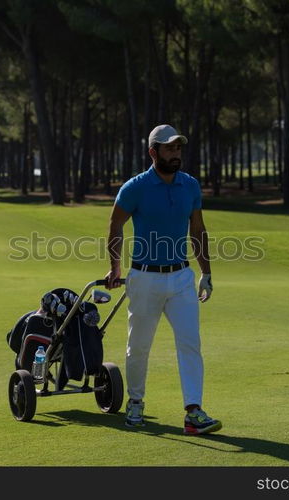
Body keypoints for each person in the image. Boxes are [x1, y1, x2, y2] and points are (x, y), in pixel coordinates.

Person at [104, 124, 221, 435]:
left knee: (190, 344)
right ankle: (136, 403)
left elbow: (197, 230)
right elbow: (116, 225)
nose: (175, 153)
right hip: (144, 277)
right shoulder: (135, 187)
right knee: (138, 347)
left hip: (181, 276)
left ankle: (193, 412)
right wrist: (115, 267)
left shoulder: (190, 186)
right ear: (153, 152)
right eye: (169, 148)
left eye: (178, 148)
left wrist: (206, 272)